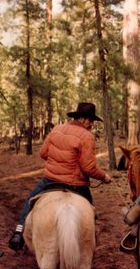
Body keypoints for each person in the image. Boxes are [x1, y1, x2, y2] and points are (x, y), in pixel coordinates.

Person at [8, 102, 112, 251]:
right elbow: (88, 168)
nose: (91, 124)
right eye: (90, 120)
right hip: (76, 184)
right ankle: (90, 238)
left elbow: (43, 153)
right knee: (90, 210)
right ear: (83, 119)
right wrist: (104, 177)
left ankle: (18, 233)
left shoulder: (56, 129)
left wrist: (57, 161)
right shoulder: (87, 136)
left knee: (29, 201)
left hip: (50, 180)